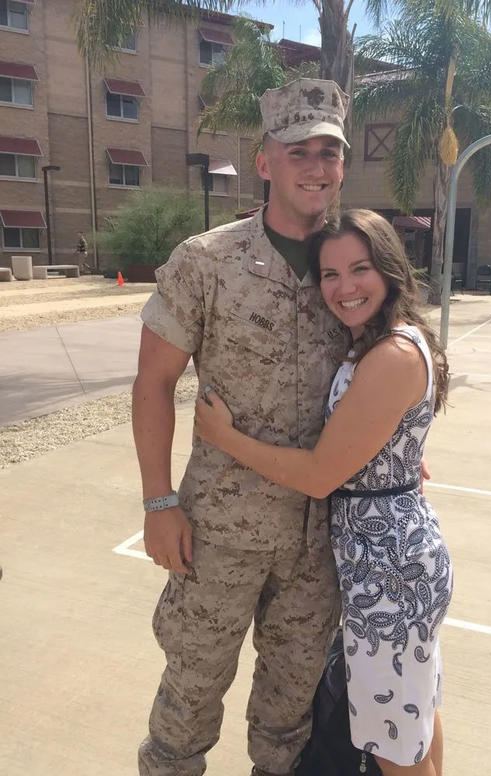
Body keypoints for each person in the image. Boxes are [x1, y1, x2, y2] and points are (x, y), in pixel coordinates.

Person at [133, 78, 353, 776]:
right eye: (298, 152)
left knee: (288, 721)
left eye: (329, 151)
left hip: (317, 540)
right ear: (265, 162)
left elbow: (385, 374)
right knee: (188, 704)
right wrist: (158, 502)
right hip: (217, 533)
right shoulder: (206, 261)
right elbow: (154, 384)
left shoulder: (351, 268)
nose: (315, 166)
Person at [194, 209, 453, 776]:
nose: (343, 287)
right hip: (393, 560)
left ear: (388, 269)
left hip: (387, 574)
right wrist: (395, 461)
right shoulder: (387, 341)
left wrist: (225, 437)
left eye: (359, 269)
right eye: (330, 275)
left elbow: (317, 476)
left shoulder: (390, 355)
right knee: (414, 721)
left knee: (393, 744)